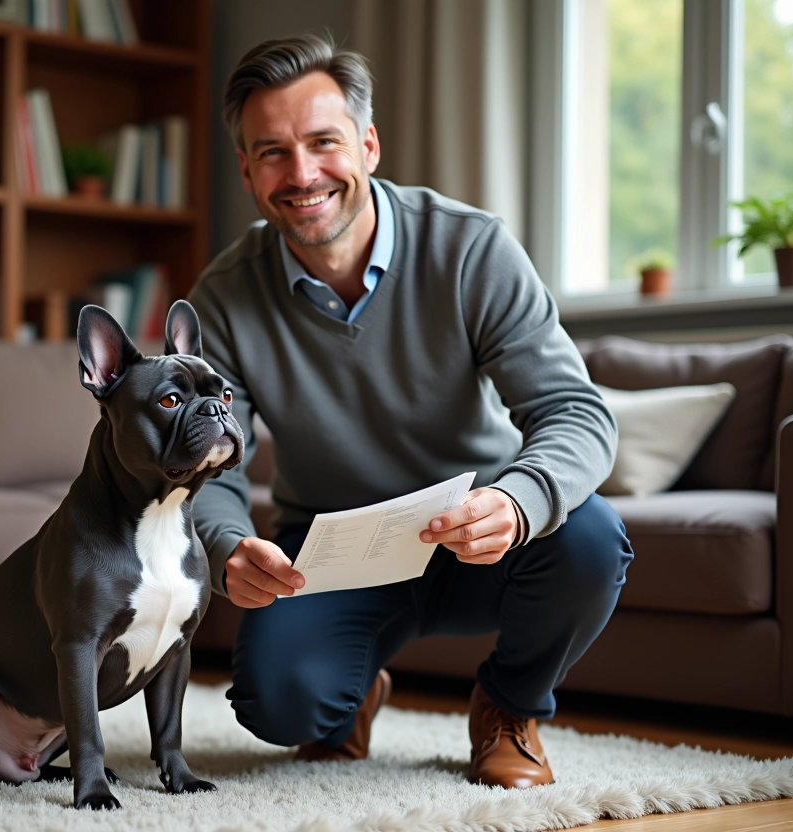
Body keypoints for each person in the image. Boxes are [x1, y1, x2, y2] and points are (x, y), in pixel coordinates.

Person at [187, 33, 633, 789]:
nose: (301, 174)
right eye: (272, 152)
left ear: (367, 144)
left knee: (592, 540)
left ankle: (509, 705)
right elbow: (206, 458)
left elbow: (574, 412)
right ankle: (351, 694)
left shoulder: (472, 249)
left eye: (324, 143)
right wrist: (226, 543)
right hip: (331, 555)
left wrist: (519, 502)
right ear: (245, 168)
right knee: (278, 708)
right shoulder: (223, 298)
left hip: (478, 531)